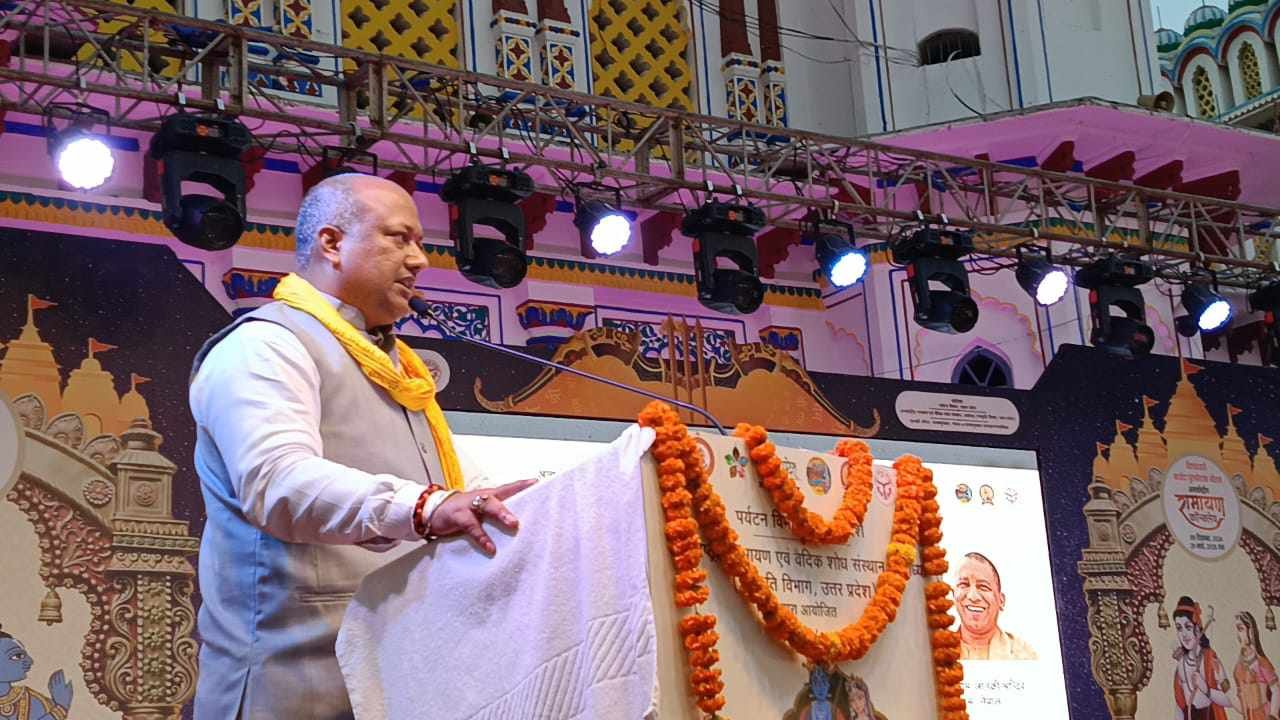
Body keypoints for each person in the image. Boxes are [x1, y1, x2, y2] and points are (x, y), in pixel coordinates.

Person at [189, 174, 536, 719]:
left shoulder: (397, 369)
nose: (420, 260)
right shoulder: (264, 345)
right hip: (292, 691)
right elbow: (277, 483)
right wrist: (425, 507)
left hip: (394, 682)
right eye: (400, 238)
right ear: (332, 243)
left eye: (420, 243)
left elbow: (461, 493)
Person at [952, 552, 1037, 660]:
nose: (973, 596)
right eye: (964, 585)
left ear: (1001, 601)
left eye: (983, 587)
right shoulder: (938, 650)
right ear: (953, 595)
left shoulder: (1023, 656)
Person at [1172, 596, 1231, 720]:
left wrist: (1206, 689)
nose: (1184, 634)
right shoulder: (1181, 664)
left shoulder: (1210, 659)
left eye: (1188, 627)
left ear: (1198, 628)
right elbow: (1179, 705)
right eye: (1179, 628)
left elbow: (1230, 699)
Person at [0, 625, 72, 720]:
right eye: (17, 656)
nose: (30, 661)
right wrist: (61, 708)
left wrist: (61, 707)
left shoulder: (30, 698)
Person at [1231, 611, 1278, 720]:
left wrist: (1272, 715)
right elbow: (1241, 702)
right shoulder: (1238, 667)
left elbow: (1276, 690)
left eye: (1241, 629)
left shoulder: (1261, 662)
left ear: (1251, 631)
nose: (1238, 635)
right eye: (1237, 630)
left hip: (1264, 715)